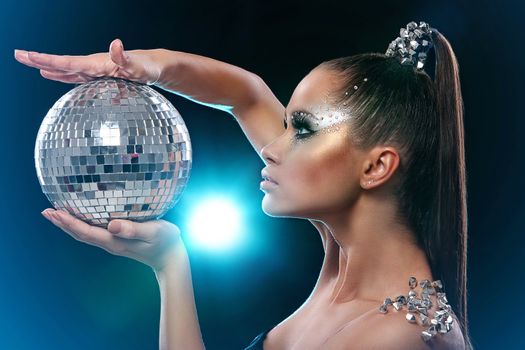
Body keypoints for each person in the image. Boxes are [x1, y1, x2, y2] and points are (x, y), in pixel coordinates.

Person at [14, 20, 473, 349]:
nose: (274, 146)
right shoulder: (343, 257)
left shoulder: (394, 336)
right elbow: (244, 93)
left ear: (376, 168)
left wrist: (169, 265)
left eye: (304, 130)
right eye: (288, 124)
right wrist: (142, 67)